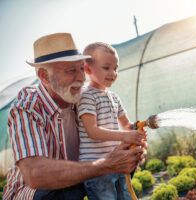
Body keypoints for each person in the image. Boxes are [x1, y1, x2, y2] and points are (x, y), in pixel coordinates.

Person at [3, 33, 146, 200]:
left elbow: (109, 139)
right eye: (71, 70)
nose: (82, 77)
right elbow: (36, 175)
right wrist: (107, 164)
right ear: (44, 76)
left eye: (81, 68)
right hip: (34, 193)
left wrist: (130, 151)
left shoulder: (81, 98)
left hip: (79, 180)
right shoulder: (27, 106)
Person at [77, 42, 146, 200]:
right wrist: (124, 136)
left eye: (116, 68)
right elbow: (92, 131)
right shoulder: (87, 95)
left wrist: (136, 130)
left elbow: (127, 126)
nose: (113, 73)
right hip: (97, 170)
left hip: (118, 163)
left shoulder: (114, 97)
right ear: (88, 69)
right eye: (106, 68)